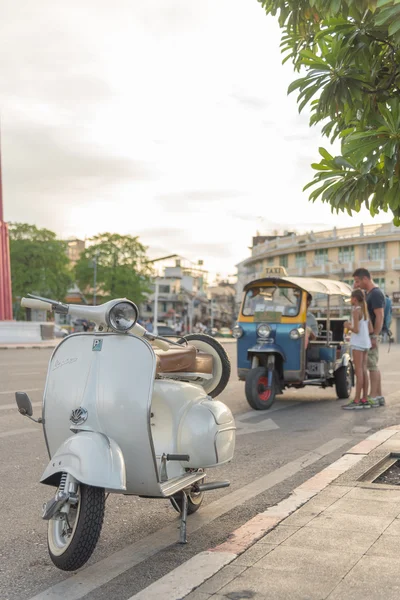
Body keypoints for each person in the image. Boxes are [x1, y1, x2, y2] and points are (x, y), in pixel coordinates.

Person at [353, 268, 385, 406]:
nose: (357, 284)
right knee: (372, 365)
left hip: (372, 335)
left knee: (371, 366)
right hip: (371, 335)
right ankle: (378, 396)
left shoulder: (376, 293)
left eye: (357, 281)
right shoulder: (369, 294)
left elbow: (380, 315)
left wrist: (374, 336)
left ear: (365, 279)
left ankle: (373, 396)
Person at [342, 289, 372, 409]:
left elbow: (356, 330)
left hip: (358, 343)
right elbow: (370, 329)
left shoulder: (356, 310)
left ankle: (356, 400)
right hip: (366, 343)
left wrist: (347, 326)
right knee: (364, 370)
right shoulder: (365, 310)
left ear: (354, 298)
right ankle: (364, 398)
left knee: (358, 371)